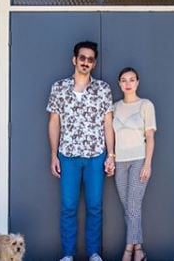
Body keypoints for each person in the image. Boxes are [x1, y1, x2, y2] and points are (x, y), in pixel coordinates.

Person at [47, 41, 115, 261]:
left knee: (95, 206)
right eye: (82, 58)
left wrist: (111, 155)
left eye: (90, 59)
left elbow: (108, 124)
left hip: (96, 156)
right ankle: (68, 254)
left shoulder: (103, 89)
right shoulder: (59, 88)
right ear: (74, 60)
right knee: (68, 206)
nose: (86, 62)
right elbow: (54, 122)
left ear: (94, 63)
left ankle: (94, 253)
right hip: (68, 156)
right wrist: (53, 154)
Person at [110, 67, 156, 261]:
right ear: (120, 84)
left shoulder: (146, 105)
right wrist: (111, 157)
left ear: (137, 82)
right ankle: (140, 249)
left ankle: (129, 249)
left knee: (133, 204)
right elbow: (110, 135)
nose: (127, 83)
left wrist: (148, 163)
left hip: (138, 159)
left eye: (131, 80)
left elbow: (150, 136)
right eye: (123, 80)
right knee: (128, 206)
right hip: (120, 162)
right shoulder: (114, 107)